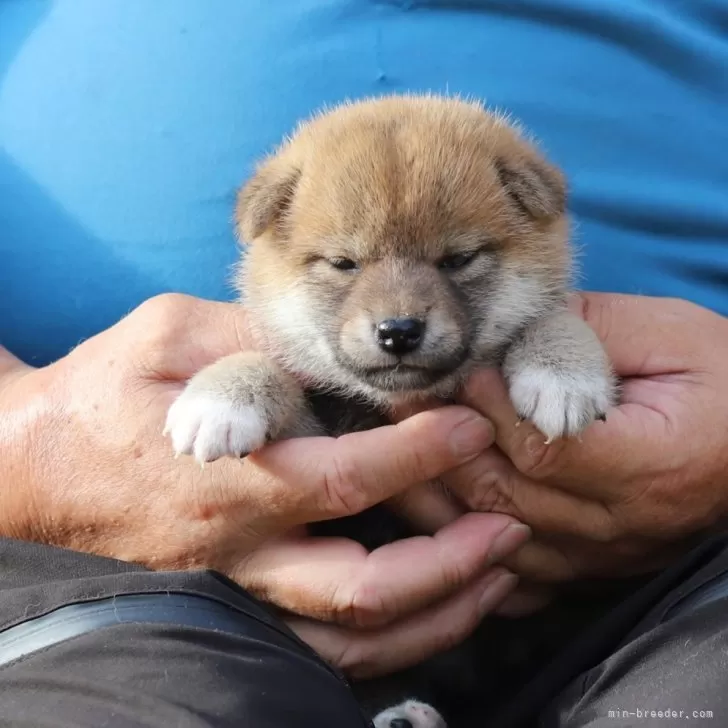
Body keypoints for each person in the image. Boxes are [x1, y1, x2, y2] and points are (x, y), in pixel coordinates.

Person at [0, 1, 727, 726]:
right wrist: (17, 432)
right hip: (135, 596)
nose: (398, 315)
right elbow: (284, 389)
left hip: (675, 582)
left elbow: (554, 335)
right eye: (342, 265)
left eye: (460, 260)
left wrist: (564, 348)